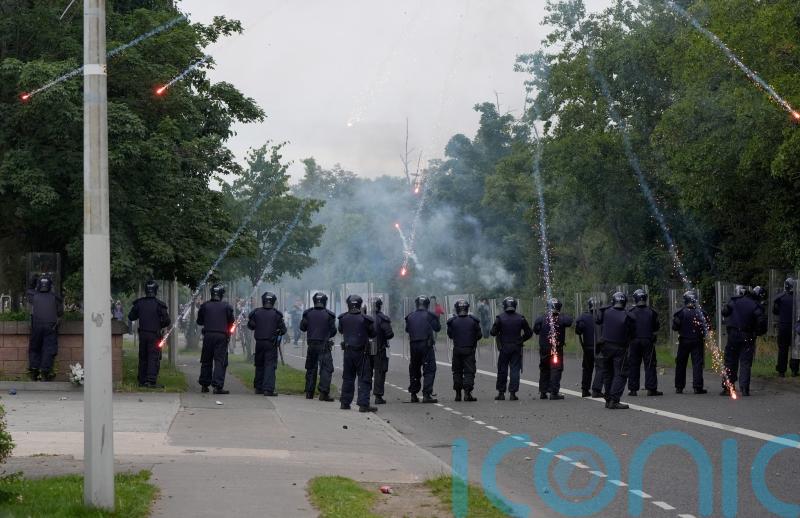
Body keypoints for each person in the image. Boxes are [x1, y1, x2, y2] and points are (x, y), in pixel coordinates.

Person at [721, 285, 762, 396]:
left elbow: (724, 312)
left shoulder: (733, 302)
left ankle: (728, 386)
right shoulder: (753, 304)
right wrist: (757, 332)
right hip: (748, 335)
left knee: (730, 361)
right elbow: (761, 320)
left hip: (733, 334)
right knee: (745, 362)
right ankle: (744, 388)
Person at [596, 292, 635, 409]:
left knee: (608, 373)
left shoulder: (606, 311)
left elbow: (598, 320)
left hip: (606, 346)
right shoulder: (627, 315)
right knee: (621, 373)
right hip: (620, 348)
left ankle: (608, 399)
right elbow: (633, 331)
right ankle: (614, 399)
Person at [128, 280, 171, 388]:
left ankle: (142, 380)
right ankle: (151, 380)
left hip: (142, 334)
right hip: (154, 335)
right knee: (153, 356)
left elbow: (131, 316)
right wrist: (159, 324)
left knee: (143, 356)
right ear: (155, 290)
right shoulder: (159, 305)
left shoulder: (139, 303)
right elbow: (167, 321)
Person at [338, 295, 377, 412]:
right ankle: (363, 404)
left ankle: (345, 403)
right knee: (364, 378)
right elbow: (373, 334)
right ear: (360, 304)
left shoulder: (342, 318)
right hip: (362, 352)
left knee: (348, 377)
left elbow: (341, 330)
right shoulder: (366, 319)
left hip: (348, 352)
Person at [490, 297, 533, 401]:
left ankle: (501, 393)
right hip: (516, 347)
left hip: (504, 347)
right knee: (515, 370)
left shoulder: (500, 318)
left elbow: (492, 332)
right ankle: (513, 393)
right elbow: (529, 333)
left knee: (502, 370)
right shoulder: (521, 318)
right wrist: (521, 340)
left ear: (504, 305)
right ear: (515, 305)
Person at [197, 283, 235, 394]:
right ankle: (217, 386)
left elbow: (199, 321)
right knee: (220, 361)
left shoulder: (205, 306)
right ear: (222, 294)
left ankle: (204, 385)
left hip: (208, 335)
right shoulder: (227, 306)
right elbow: (231, 321)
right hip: (221, 336)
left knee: (206, 360)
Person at [247, 292, 287, 396]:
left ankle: (258, 388)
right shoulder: (277, 314)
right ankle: (268, 389)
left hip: (259, 343)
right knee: (270, 365)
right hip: (271, 343)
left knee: (259, 364)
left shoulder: (256, 312)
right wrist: (277, 332)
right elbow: (283, 330)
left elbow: (250, 326)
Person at [300, 292, 337, 401]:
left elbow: (302, 327)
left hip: (311, 345)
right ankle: (323, 393)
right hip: (324, 345)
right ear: (325, 301)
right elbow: (334, 331)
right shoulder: (329, 315)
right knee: (326, 369)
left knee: (311, 368)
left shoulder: (308, 313)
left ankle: (309, 393)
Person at [534, 298, 573, 400]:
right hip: (556, 349)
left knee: (544, 368)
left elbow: (536, 330)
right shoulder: (561, 318)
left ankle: (543, 391)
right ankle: (553, 392)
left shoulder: (542, 318)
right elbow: (569, 321)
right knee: (556, 369)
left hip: (544, 348)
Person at [26, 275, 64, 381]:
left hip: (36, 325)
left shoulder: (34, 295)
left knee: (34, 348)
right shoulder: (55, 297)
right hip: (50, 326)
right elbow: (60, 312)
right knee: (49, 349)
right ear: (50, 285)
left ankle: (34, 371)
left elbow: (29, 289)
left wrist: (34, 279)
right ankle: (45, 372)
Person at [405, 295, 441, 403]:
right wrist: (437, 319)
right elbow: (437, 328)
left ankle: (413, 394)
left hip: (414, 346)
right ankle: (426, 394)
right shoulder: (429, 315)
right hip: (426, 345)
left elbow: (407, 329)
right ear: (427, 304)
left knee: (414, 369)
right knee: (429, 369)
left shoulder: (410, 316)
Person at [627, 289, 662, 397]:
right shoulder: (652, 312)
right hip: (648, 340)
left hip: (634, 341)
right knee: (650, 364)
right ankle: (651, 388)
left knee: (633, 364)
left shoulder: (631, 312)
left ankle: (633, 389)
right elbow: (656, 327)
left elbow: (627, 327)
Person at [672, 290, 708, 395]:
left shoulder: (680, 313)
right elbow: (707, 328)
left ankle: (679, 387)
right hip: (697, 340)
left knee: (681, 363)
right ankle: (697, 387)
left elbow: (674, 327)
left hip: (684, 340)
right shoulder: (701, 313)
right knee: (697, 364)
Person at [447, 299, 481, 402]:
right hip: (469, 349)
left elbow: (450, 335)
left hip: (457, 349)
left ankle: (458, 394)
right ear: (467, 308)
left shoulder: (452, 321)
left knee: (457, 371)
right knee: (469, 372)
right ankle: (467, 394)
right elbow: (479, 335)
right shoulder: (473, 321)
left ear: (457, 309)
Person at [575, 297, 602, 398]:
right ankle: (597, 389)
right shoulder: (602, 316)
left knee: (587, 369)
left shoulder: (583, 317)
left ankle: (585, 389)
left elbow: (578, 331)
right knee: (600, 368)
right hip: (599, 347)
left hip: (587, 347)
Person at [371, 298, 394, 405]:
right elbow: (389, 334)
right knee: (379, 372)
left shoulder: (365, 317)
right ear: (380, 306)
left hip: (366, 350)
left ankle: (364, 396)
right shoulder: (382, 318)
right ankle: (378, 396)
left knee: (366, 373)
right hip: (379, 349)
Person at [772, 277, 797, 377]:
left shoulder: (780, 298)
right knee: (795, 349)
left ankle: (781, 371)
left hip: (783, 326)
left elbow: (775, 311)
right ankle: (794, 370)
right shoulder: (797, 298)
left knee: (783, 349)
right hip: (794, 326)